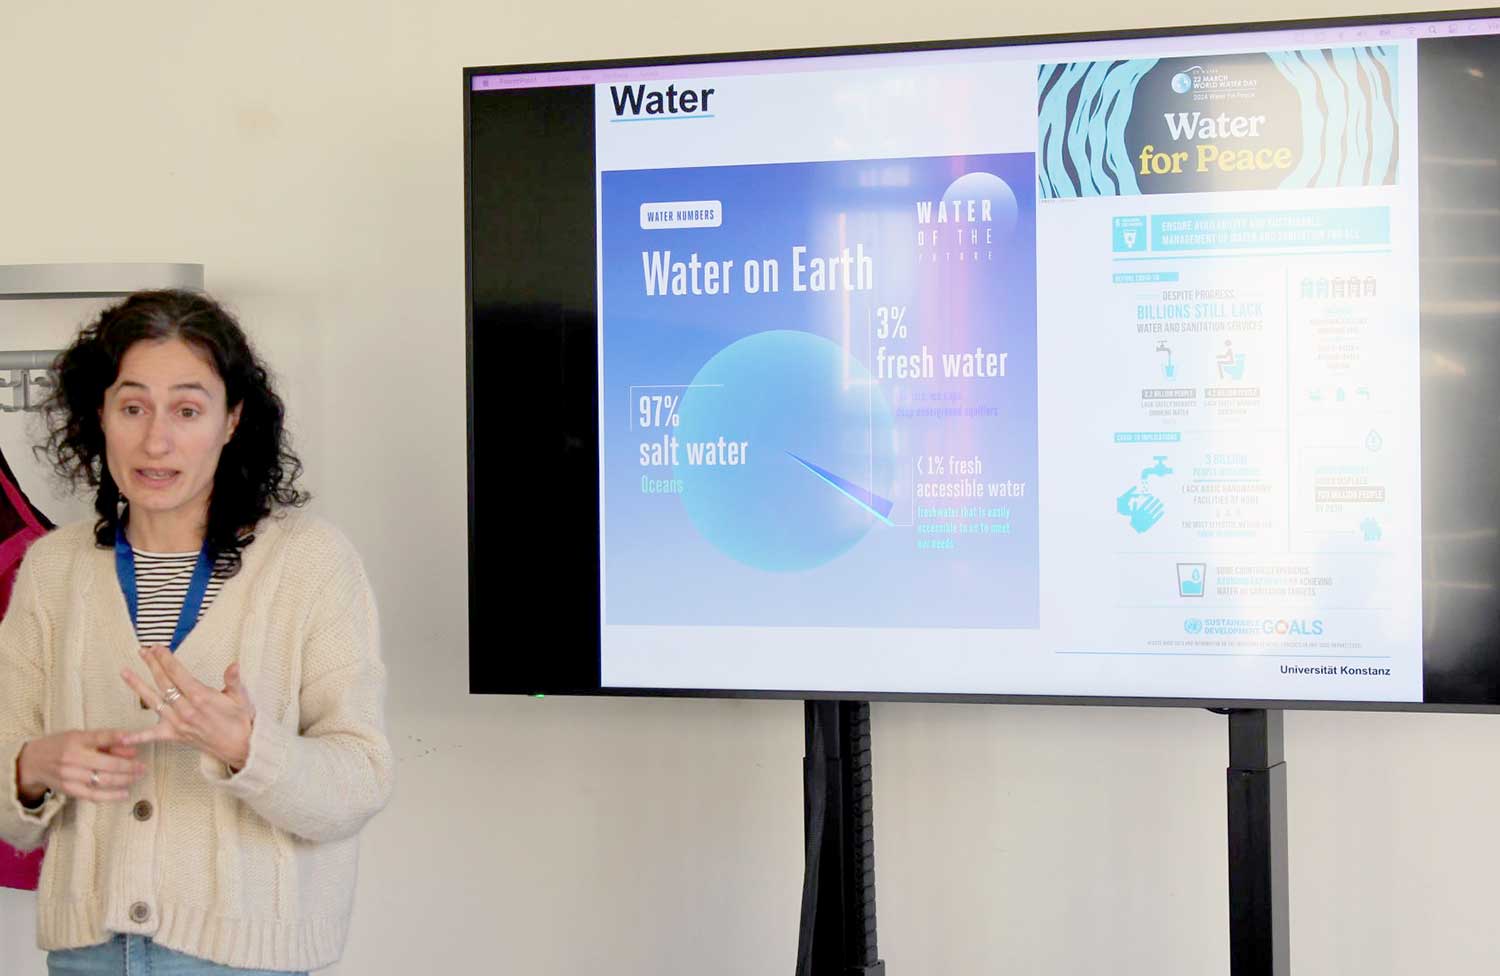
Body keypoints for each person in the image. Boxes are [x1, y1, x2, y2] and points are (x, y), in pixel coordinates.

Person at [0, 290, 394, 974]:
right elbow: (10, 801)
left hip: (244, 959)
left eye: (187, 410)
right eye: (132, 408)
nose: (156, 441)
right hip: (87, 956)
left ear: (231, 419)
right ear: (100, 415)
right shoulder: (52, 568)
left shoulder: (310, 562)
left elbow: (360, 784)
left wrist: (247, 748)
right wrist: (32, 769)